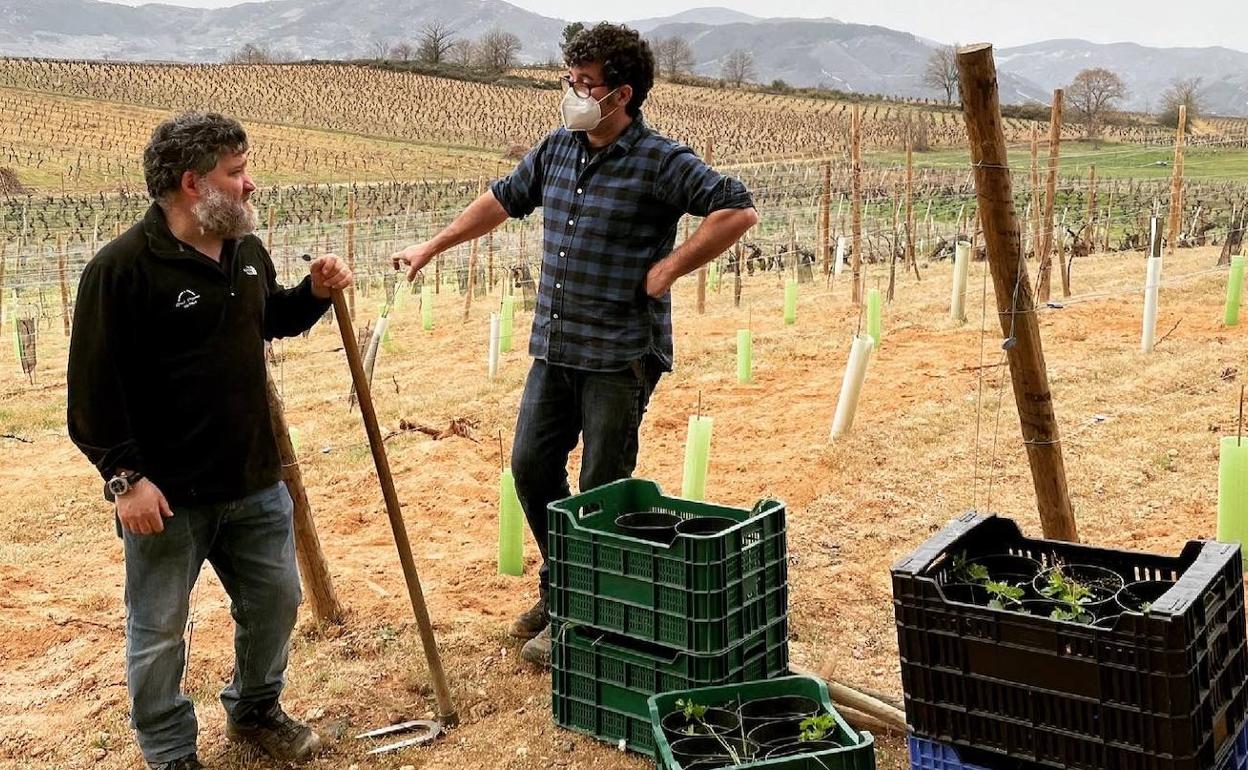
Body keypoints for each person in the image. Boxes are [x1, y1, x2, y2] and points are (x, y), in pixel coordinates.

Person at [392, 23, 759, 666]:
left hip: (620, 352)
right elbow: (502, 199)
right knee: (531, 468)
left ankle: (588, 617)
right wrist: (432, 246)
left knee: (600, 487)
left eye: (586, 83)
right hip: (556, 344)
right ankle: (567, 585)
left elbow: (736, 209)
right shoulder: (558, 148)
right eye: (571, 78)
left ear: (621, 94)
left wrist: (670, 268)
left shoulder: (660, 160)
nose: (573, 91)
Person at [67, 112, 352, 770]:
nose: (250, 184)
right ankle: (169, 751)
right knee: (160, 631)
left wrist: (311, 293)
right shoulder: (121, 271)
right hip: (165, 497)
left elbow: (266, 319)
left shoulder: (245, 251)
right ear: (193, 183)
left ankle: (254, 710)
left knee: (277, 602)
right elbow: (90, 398)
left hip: (253, 480)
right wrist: (125, 480)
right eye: (236, 172)